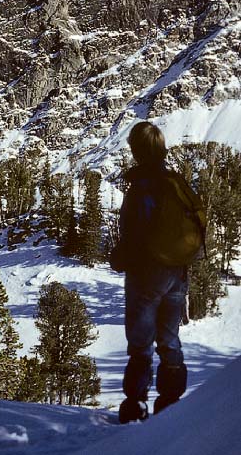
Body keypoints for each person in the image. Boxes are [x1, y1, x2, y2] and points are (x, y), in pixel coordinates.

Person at [110, 121, 189, 423]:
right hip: (177, 272)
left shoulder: (142, 185)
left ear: (136, 150)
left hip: (147, 275)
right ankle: (171, 405)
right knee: (169, 340)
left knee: (141, 342)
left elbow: (136, 235)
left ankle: (136, 405)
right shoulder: (175, 182)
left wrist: (120, 258)